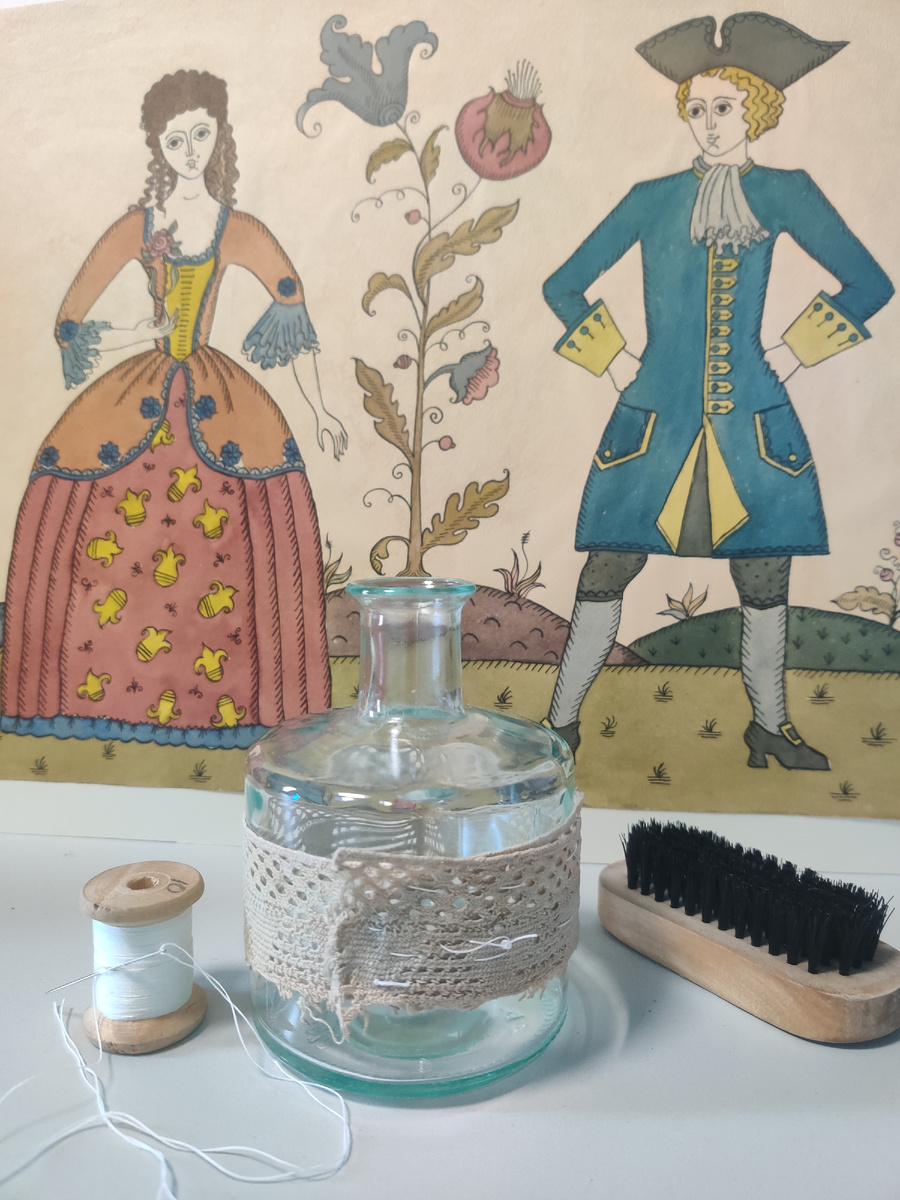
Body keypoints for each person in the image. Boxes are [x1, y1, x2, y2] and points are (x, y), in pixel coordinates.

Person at [543, 13, 893, 769]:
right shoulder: (652, 197)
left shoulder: (787, 192)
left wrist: (794, 353)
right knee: (607, 570)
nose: (708, 123)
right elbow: (562, 285)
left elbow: (870, 283)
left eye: (724, 107)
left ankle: (769, 726)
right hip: (653, 421)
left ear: (756, 110)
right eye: (696, 108)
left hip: (752, 424)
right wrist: (614, 362)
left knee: (765, 577)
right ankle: (558, 725)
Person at [1, 69, 348, 749]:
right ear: (157, 147)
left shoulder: (235, 228)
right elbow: (70, 321)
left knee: (234, 541)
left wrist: (321, 411)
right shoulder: (140, 226)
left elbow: (291, 303)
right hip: (141, 392)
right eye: (175, 140)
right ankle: (98, 698)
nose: (189, 151)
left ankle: (236, 708)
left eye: (200, 134)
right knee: (105, 532)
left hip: (221, 403)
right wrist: (140, 332)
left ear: (220, 135)